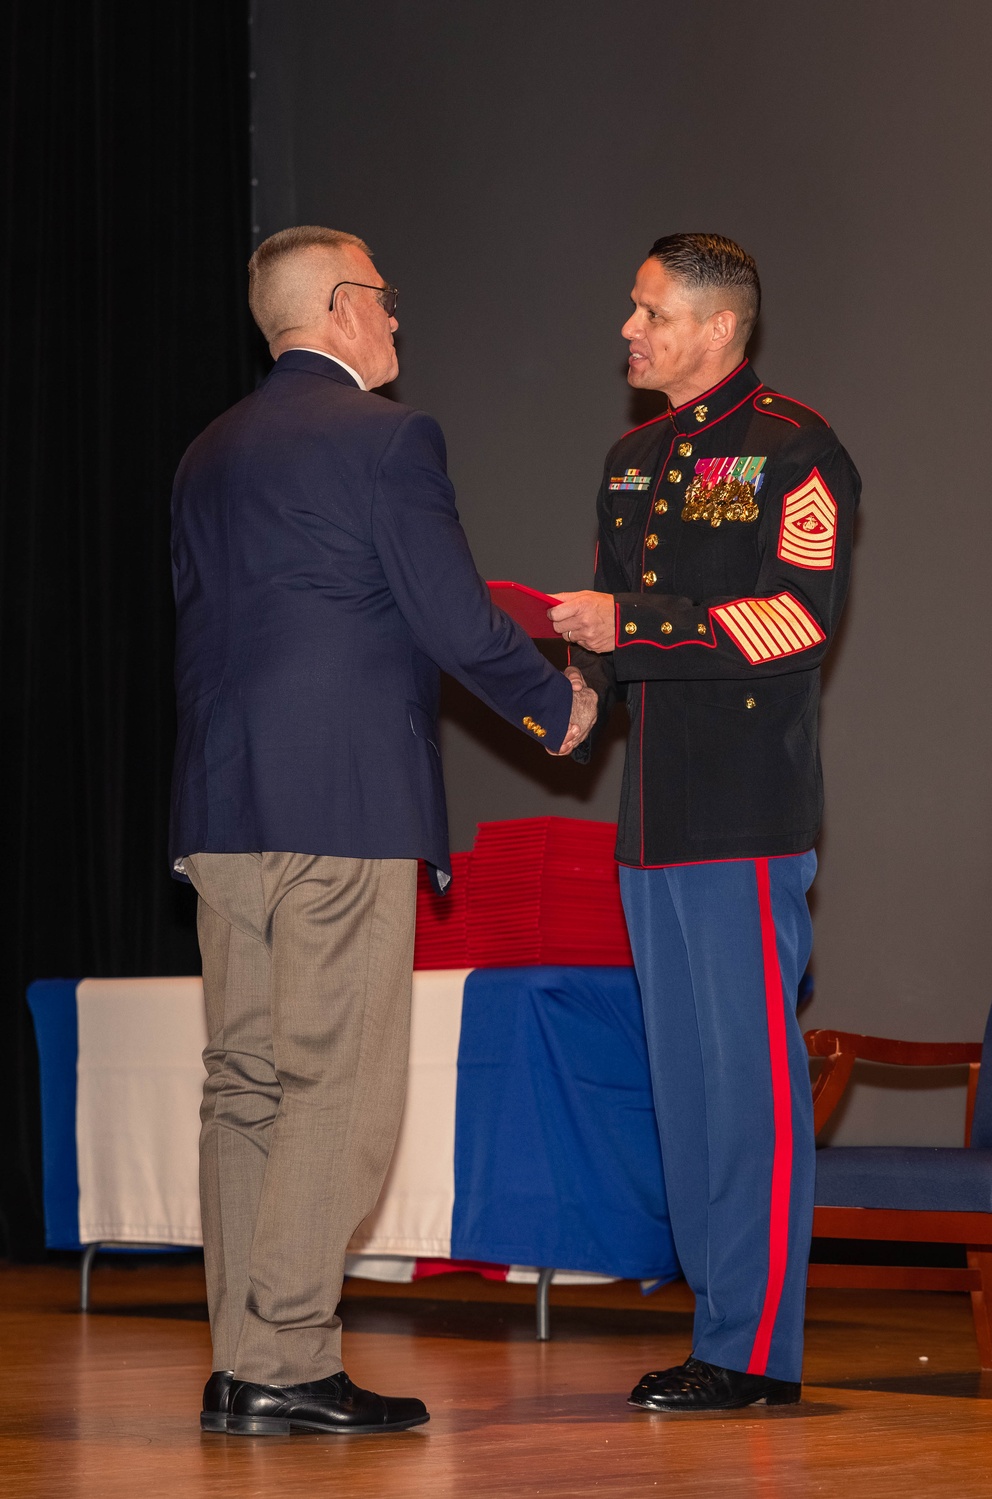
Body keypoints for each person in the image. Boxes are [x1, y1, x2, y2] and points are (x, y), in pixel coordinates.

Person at [169, 225, 596, 1437]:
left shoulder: (205, 453)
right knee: (332, 1089)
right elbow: (452, 617)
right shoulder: (389, 438)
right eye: (389, 302)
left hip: (221, 810)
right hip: (342, 808)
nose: (398, 324)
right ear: (346, 308)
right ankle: (291, 1360)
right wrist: (554, 700)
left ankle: (243, 1355)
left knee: (242, 1084)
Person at [551, 233, 859, 1411]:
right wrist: (581, 686)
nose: (627, 330)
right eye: (631, 309)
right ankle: (715, 1330)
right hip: (649, 822)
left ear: (717, 328)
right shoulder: (632, 457)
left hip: (743, 812)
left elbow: (797, 619)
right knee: (685, 1086)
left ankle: (755, 1349)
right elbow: (611, 637)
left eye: (648, 312)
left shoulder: (797, 447)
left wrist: (632, 626)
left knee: (753, 1087)